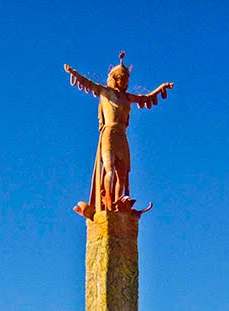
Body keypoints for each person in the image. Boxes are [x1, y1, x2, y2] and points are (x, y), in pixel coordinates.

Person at [64, 52, 173, 219]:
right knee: (109, 169)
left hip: (122, 136)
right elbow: (88, 83)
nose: (126, 82)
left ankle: (117, 200)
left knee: (122, 173)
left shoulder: (127, 98)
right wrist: (74, 74)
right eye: (123, 78)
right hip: (109, 134)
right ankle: (108, 200)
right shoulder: (105, 92)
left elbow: (146, 98)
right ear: (116, 78)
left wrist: (161, 88)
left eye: (127, 80)